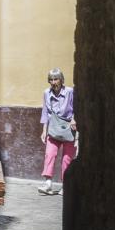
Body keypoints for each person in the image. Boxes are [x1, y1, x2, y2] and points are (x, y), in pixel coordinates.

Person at [37, 67, 77, 195]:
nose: (53, 82)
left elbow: (77, 107)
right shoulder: (46, 93)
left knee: (67, 159)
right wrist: (44, 130)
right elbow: (45, 113)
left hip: (68, 129)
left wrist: (74, 119)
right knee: (49, 154)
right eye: (51, 80)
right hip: (53, 128)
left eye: (56, 79)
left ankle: (65, 186)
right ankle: (48, 183)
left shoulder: (70, 92)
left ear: (61, 80)